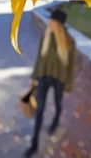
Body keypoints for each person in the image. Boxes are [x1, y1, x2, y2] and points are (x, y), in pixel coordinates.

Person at [24, 9, 76, 157]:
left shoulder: (69, 41)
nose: (50, 24)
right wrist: (34, 77)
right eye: (50, 21)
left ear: (59, 24)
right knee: (39, 109)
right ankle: (34, 144)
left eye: (52, 22)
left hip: (59, 78)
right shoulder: (45, 37)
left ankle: (55, 121)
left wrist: (68, 86)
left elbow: (70, 66)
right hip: (44, 77)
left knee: (58, 103)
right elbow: (39, 60)